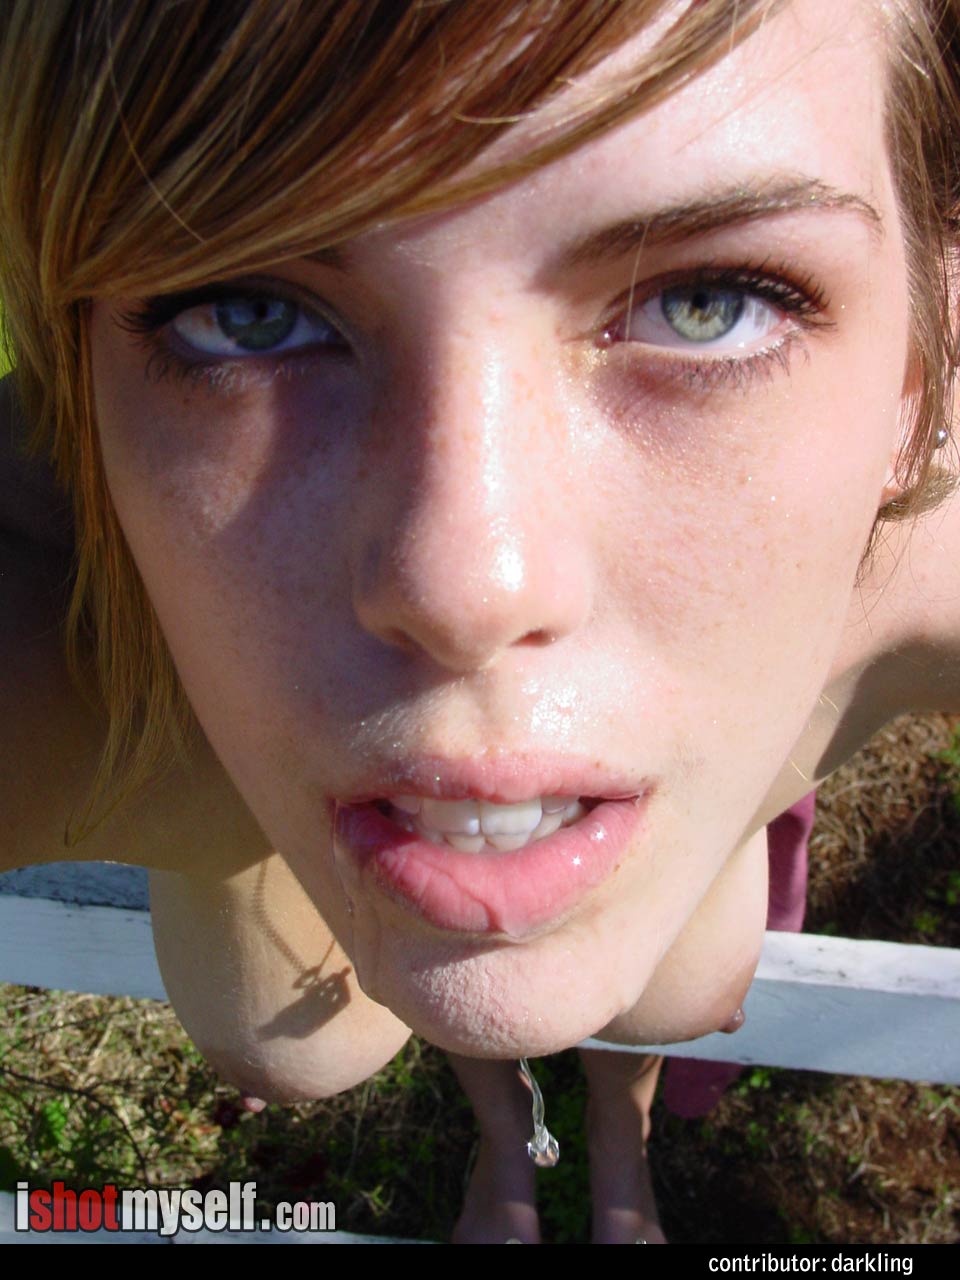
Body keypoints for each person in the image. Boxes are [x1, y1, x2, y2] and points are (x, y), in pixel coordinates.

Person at [0, 0, 958, 1244]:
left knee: (675, 979)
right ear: (80, 373)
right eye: (246, 309)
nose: (465, 590)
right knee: (299, 1035)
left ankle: (617, 1135)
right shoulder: (54, 621)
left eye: (707, 301)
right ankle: (506, 1126)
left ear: (922, 372)